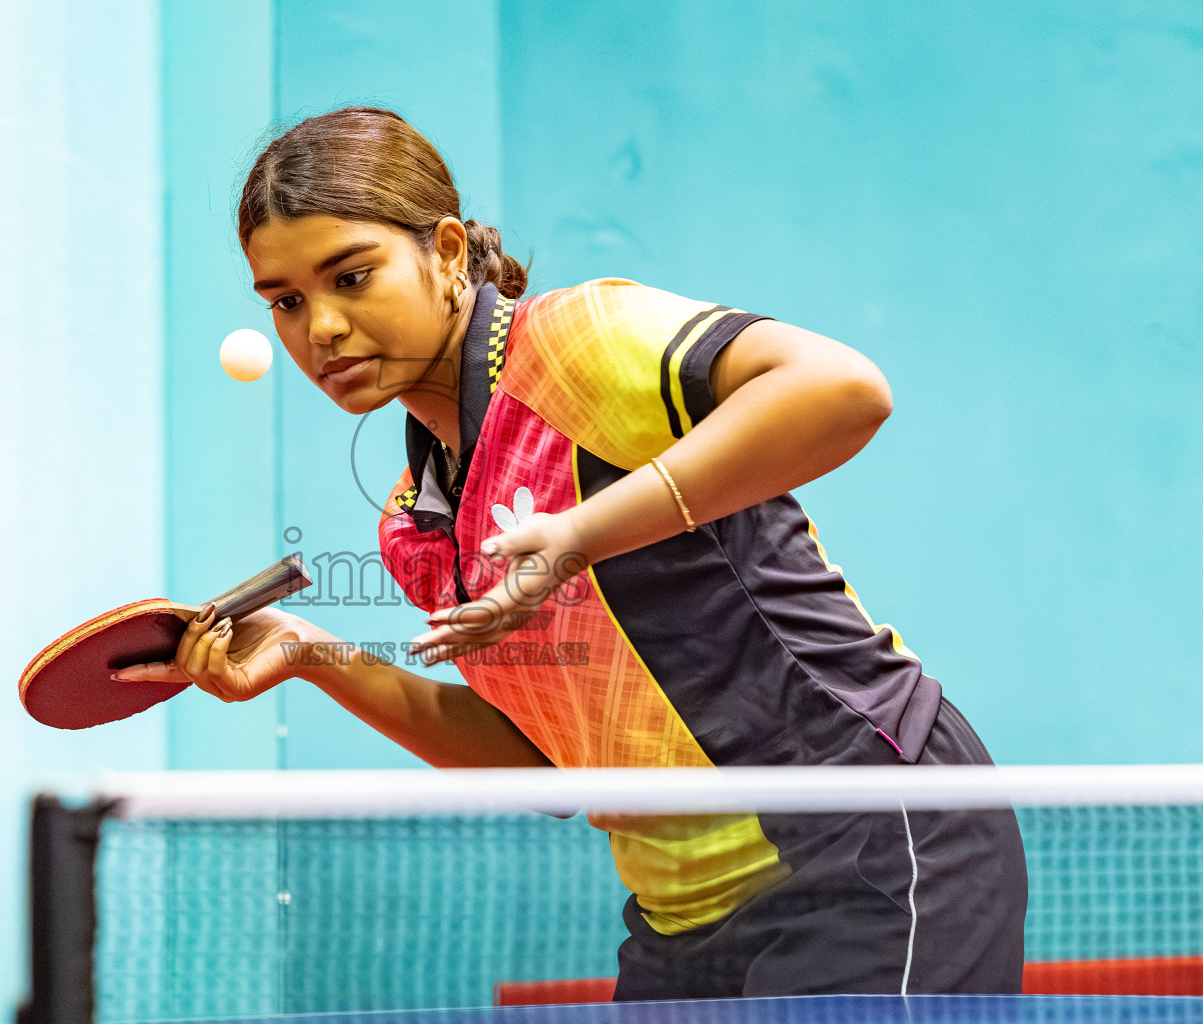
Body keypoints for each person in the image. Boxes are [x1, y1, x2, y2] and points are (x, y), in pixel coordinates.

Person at [118, 105, 1028, 999]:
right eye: (285, 301)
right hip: (685, 916)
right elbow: (553, 765)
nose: (317, 328)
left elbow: (845, 389)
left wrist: (579, 537)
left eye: (350, 277)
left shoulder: (574, 343)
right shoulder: (415, 520)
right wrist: (317, 659)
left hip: (866, 840)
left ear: (442, 254)